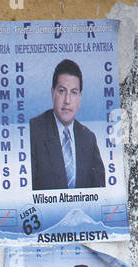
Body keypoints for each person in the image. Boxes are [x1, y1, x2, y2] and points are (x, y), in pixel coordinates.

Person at [29, 59, 106, 191]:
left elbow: (100, 192)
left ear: (80, 97)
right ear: (52, 93)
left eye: (74, 92)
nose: (67, 100)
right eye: (62, 91)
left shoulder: (88, 139)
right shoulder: (34, 131)